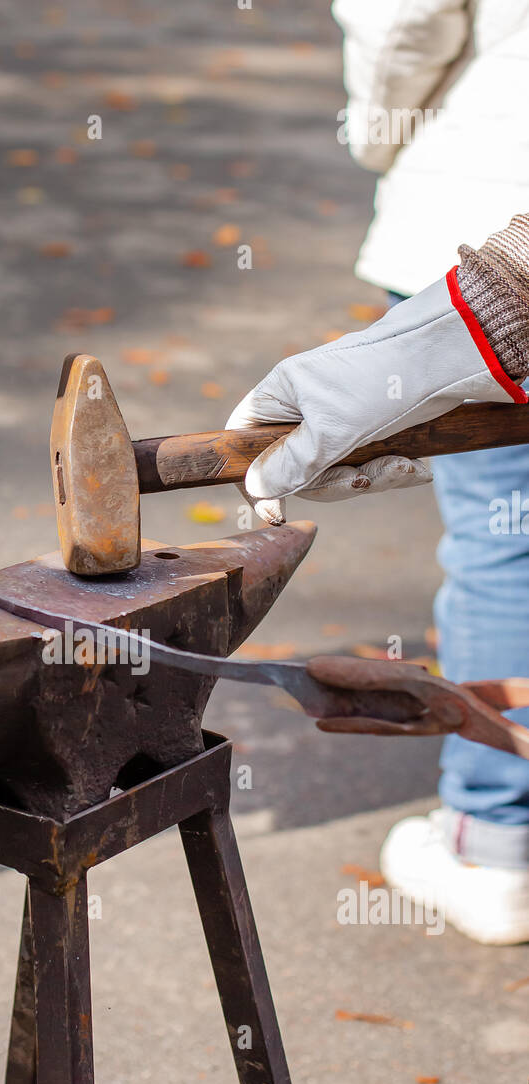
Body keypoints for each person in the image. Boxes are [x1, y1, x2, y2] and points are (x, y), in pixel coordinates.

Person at [229, 0, 529, 945]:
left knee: (502, 542)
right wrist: (486, 320)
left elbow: (406, 16)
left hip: (468, 174)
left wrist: (376, 123)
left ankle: (495, 837)